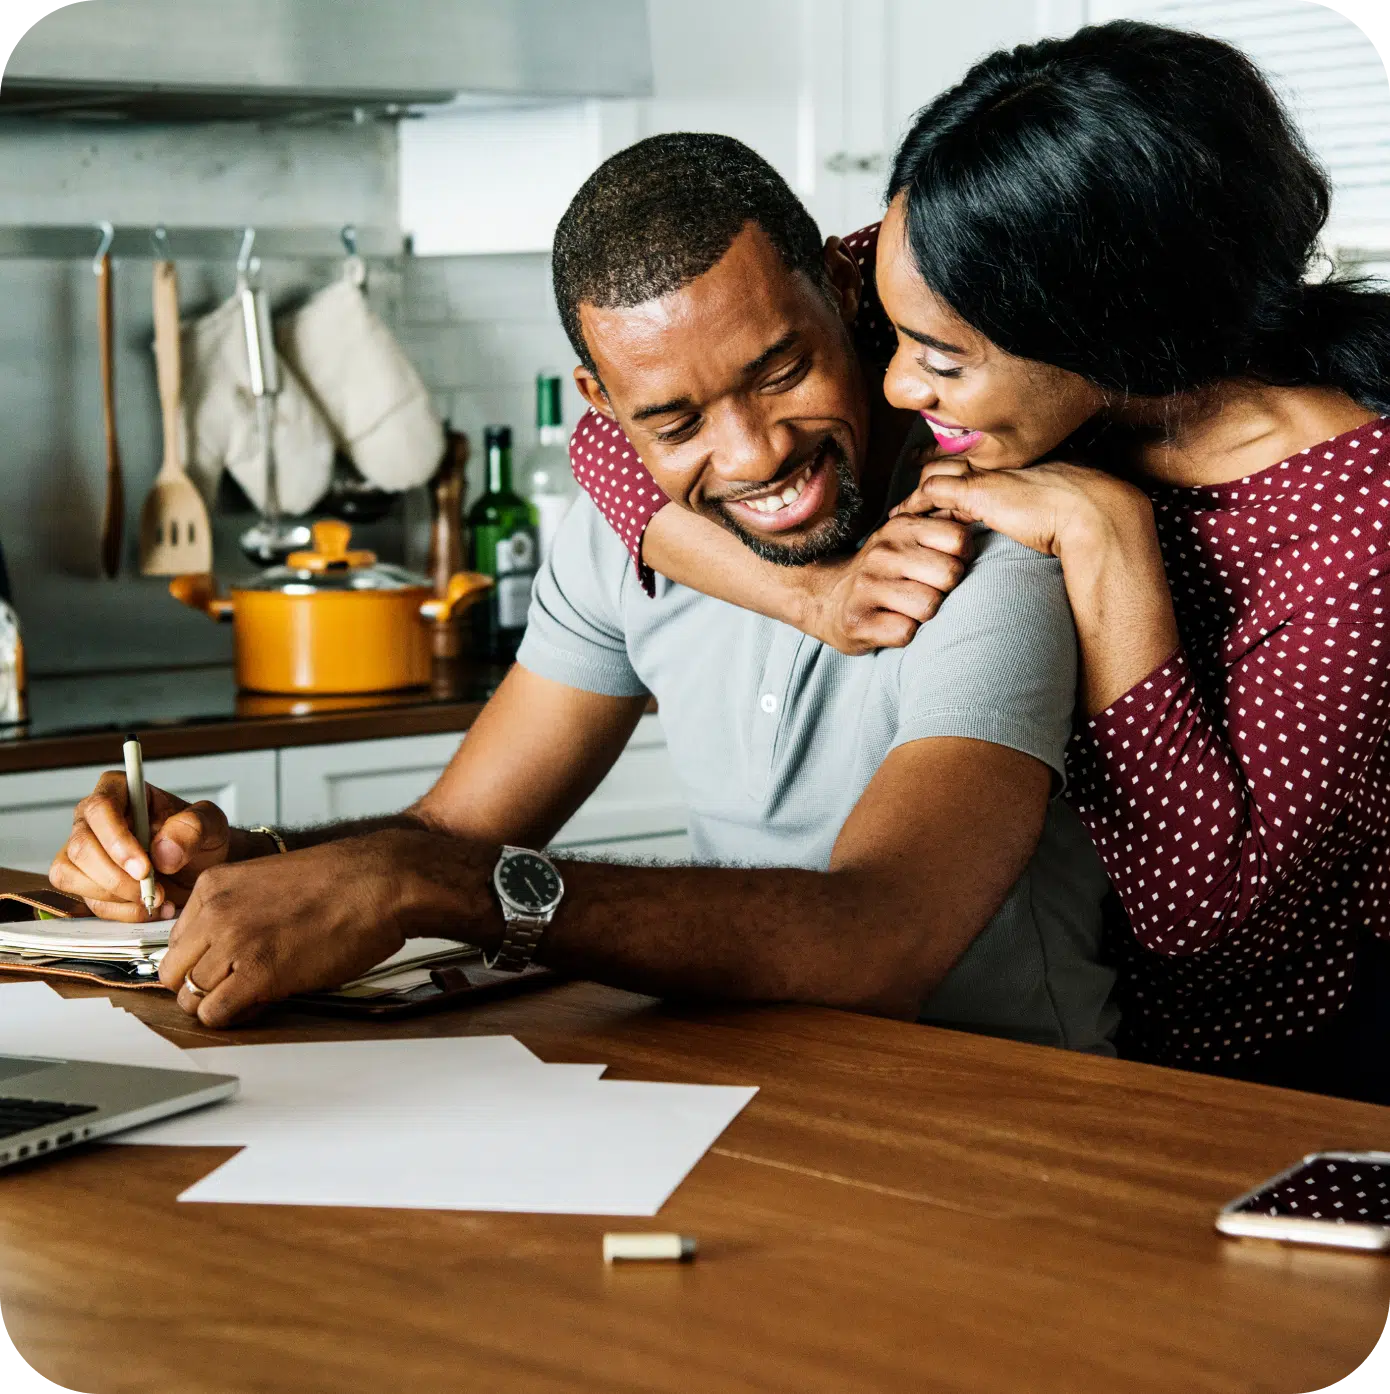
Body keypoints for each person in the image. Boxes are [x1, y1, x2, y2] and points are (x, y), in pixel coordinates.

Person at [49, 135, 1116, 1051]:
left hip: (1006, 1112)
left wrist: (432, 883)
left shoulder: (982, 533)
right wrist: (243, 863)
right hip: (766, 1091)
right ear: (602, 408)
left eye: (780, 372)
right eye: (676, 421)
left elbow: (882, 937)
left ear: (844, 291)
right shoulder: (619, 546)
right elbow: (451, 829)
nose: (753, 455)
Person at [563, 23, 1390, 1102]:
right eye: (893, 335)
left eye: (940, 359)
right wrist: (810, 595)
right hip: (1058, 1043)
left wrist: (1108, 541)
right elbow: (613, 437)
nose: (897, 384)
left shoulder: (1356, 530)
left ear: (1105, 333)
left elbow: (1202, 922)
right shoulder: (950, 257)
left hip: (1273, 1084)